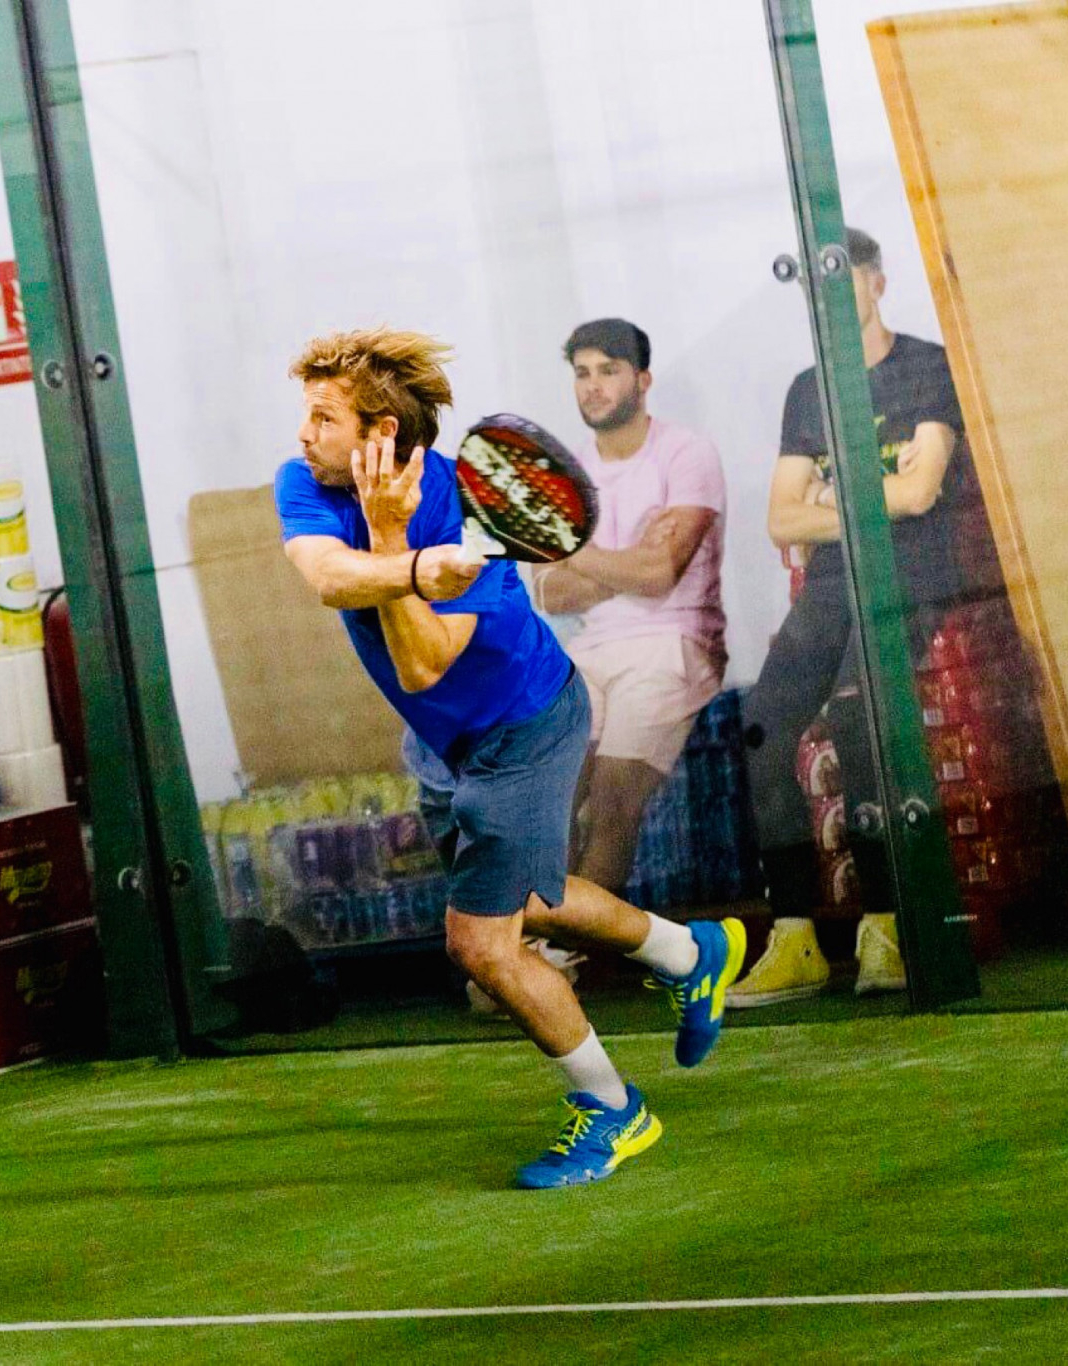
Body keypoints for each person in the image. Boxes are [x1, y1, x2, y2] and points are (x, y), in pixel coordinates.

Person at [275, 326, 747, 1188]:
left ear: (381, 435)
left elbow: (422, 663)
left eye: (324, 418)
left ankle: (614, 1110)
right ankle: (690, 954)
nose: (303, 434)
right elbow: (325, 576)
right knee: (530, 898)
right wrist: (413, 568)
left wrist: (400, 549)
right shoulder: (305, 479)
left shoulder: (473, 511)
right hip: (442, 744)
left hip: (527, 727)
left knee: (482, 944)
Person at [735, 227, 1003, 1005]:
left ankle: (888, 925)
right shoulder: (807, 390)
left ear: (877, 282)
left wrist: (826, 493)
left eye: (841, 278)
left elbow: (920, 497)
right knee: (760, 729)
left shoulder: (925, 366)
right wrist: (864, 495)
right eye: (813, 286)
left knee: (857, 715)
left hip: (911, 576)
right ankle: (796, 939)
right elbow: (781, 520)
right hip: (830, 587)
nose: (828, 296)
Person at [534, 319, 727, 896]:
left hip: (673, 646)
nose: (592, 386)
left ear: (643, 380)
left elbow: (660, 572)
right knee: (549, 798)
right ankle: (543, 939)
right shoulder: (567, 475)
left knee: (612, 800)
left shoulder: (687, 453)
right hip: (588, 652)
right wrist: (629, 562)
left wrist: (578, 554)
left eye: (608, 371)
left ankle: (576, 942)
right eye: (582, 373)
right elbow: (547, 592)